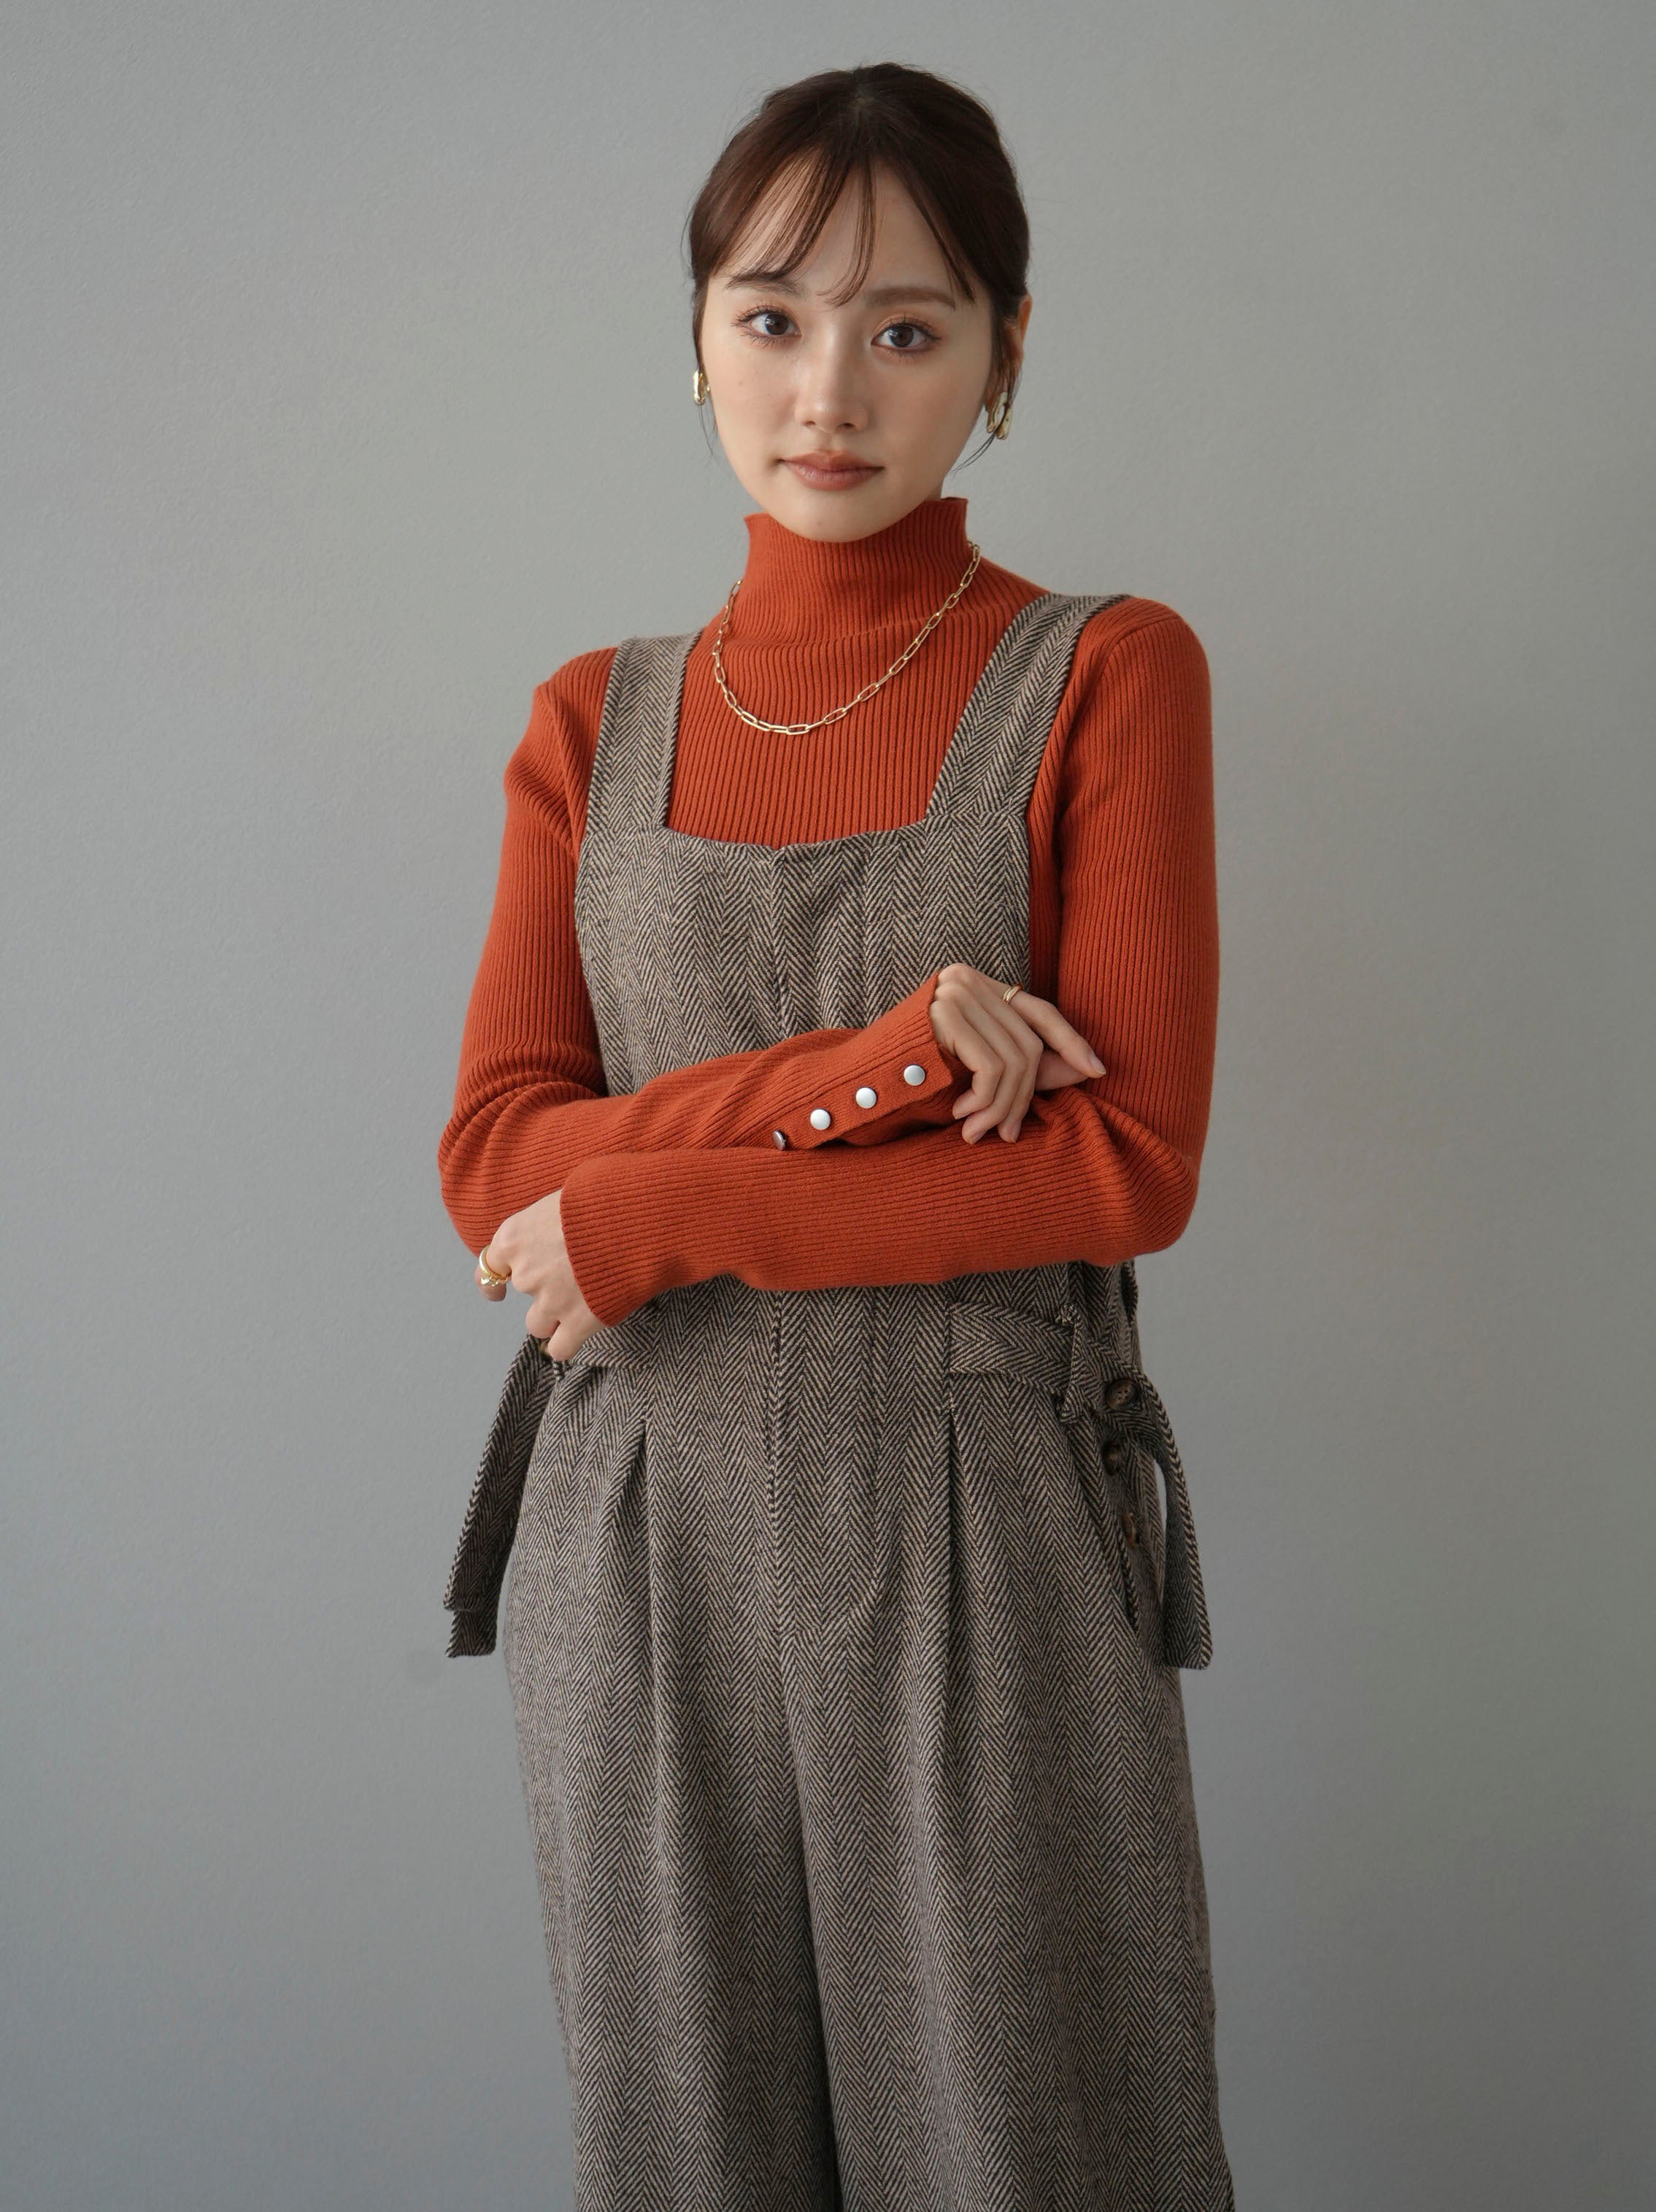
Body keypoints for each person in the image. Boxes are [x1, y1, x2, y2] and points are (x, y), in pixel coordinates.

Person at [439, 61, 1234, 2211]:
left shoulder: (1105, 673)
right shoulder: (590, 721)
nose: (829, 391)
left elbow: (1121, 1164)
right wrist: (859, 1075)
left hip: (983, 1507)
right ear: (695, 338)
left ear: (1004, 355)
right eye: (774, 317)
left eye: (909, 327)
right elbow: (497, 1166)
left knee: (1033, 2143)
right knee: (684, 2149)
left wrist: (664, 1208)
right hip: (643, 1524)